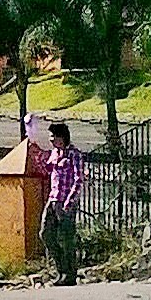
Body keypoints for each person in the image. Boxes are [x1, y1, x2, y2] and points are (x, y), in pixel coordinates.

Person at [38, 120, 85, 285]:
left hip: (66, 202)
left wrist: (70, 201)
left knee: (66, 238)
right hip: (53, 199)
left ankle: (69, 275)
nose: (51, 139)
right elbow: (47, 170)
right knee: (46, 234)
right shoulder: (54, 153)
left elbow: (79, 179)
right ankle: (61, 269)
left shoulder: (75, 154)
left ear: (61, 137)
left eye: (53, 136)